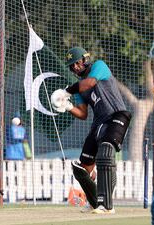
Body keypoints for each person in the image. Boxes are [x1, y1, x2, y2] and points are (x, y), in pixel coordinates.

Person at [50, 47, 132, 214]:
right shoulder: (80, 88)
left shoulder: (99, 66)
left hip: (117, 116)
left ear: (85, 59)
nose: (74, 67)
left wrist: (66, 92)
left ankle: (106, 205)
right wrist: (68, 106)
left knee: (106, 152)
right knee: (83, 166)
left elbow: (90, 83)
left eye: (76, 63)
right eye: (71, 66)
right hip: (99, 123)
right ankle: (94, 200)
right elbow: (82, 113)